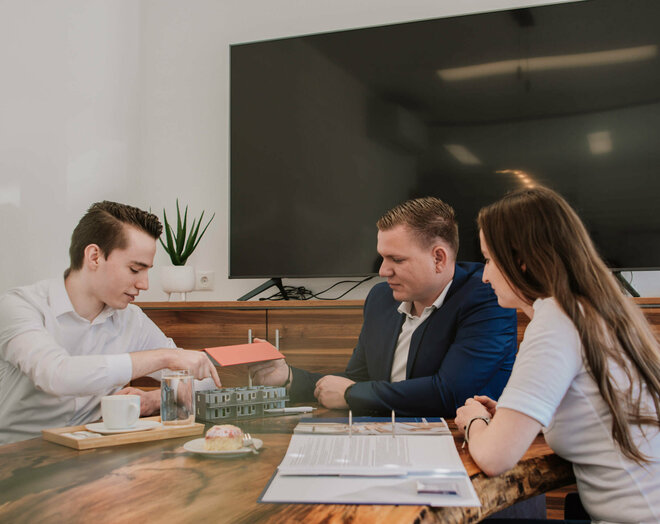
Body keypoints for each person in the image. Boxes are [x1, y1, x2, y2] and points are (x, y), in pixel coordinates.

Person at [455, 186, 660, 523]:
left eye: (490, 259)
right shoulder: (598, 309)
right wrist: (511, 418)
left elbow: (494, 457)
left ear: (520, 260)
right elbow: (590, 409)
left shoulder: (556, 320)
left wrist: (474, 421)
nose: (484, 274)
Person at [250, 197, 518, 416]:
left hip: (459, 444)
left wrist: (350, 394)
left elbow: (448, 395)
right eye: (382, 258)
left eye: (396, 259)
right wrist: (289, 378)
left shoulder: (487, 299)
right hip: (382, 436)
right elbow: (356, 381)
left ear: (438, 258)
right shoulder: (381, 298)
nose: (382, 271)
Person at [0, 201, 221, 445]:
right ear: (94, 256)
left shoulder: (131, 319)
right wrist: (164, 357)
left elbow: (205, 380)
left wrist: (156, 399)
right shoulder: (19, 306)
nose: (145, 284)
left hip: (92, 455)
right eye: (135, 269)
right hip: (16, 459)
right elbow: (56, 375)